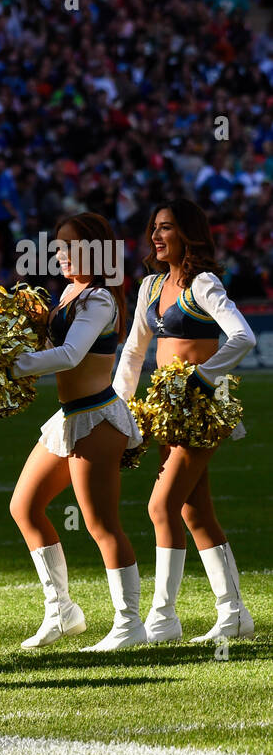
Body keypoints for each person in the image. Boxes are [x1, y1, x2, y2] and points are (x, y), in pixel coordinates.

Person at [112, 199, 256, 643]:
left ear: (187, 234)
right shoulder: (152, 286)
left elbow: (243, 336)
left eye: (167, 228)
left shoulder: (204, 283)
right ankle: (233, 614)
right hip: (166, 408)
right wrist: (117, 409)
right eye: (154, 228)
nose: (157, 236)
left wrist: (202, 377)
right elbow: (134, 352)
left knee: (161, 506)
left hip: (203, 407)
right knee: (195, 511)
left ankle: (162, 618)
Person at [6, 213, 142, 650]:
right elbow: (52, 349)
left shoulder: (101, 299)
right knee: (25, 507)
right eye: (57, 245)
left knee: (101, 524)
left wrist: (16, 365)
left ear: (95, 250)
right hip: (67, 419)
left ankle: (129, 622)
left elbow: (69, 355)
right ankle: (61, 611)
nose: (59, 254)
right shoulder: (68, 293)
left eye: (68, 246)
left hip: (98, 419)